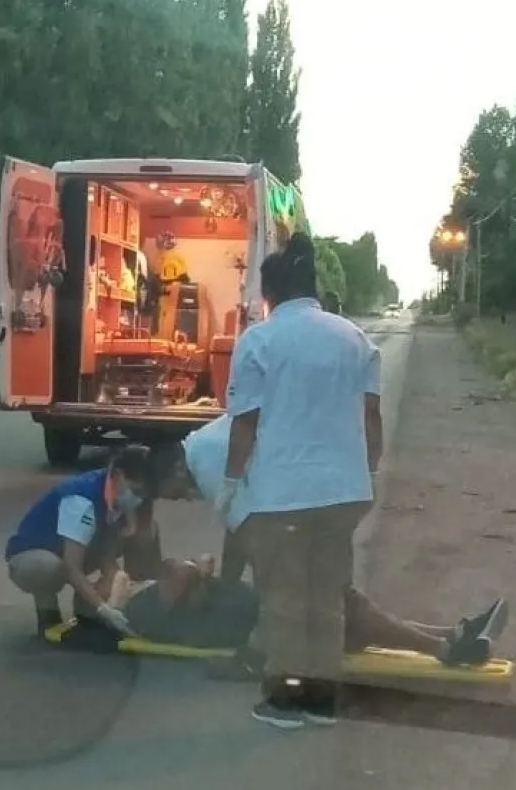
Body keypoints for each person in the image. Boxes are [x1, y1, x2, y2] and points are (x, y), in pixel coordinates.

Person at [150, 422, 507, 677]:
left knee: (337, 603)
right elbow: (240, 530)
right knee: (342, 610)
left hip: (311, 501)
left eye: (172, 491)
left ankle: (449, 647)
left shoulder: (207, 464)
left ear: (175, 468)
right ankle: (452, 638)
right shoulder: (207, 443)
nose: (181, 499)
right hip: (318, 491)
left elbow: (241, 533)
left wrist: (228, 583)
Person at [217, 231, 384, 728]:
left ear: (269, 294)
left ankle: (288, 700)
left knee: (285, 599)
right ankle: (323, 699)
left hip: (285, 493)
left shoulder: (260, 340)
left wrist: (229, 486)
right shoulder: (353, 338)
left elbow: (245, 423)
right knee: (327, 594)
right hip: (345, 491)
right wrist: (368, 469)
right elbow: (371, 416)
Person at [111, 557, 507, 690]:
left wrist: (200, 570)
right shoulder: (143, 608)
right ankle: (449, 647)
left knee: (357, 616)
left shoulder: (156, 593)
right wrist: (117, 593)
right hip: (275, 626)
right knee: (348, 608)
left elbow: (187, 575)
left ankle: (452, 638)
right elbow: (181, 576)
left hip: (278, 613)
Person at [5, 445, 161, 638]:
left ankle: (94, 602)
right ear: (119, 475)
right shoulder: (81, 499)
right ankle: (48, 613)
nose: (138, 498)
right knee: (49, 568)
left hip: (82, 546)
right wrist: (103, 608)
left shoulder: (116, 490)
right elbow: (72, 566)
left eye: (143, 494)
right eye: (136, 490)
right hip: (35, 554)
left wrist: (118, 585)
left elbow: (107, 553)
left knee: (148, 530)